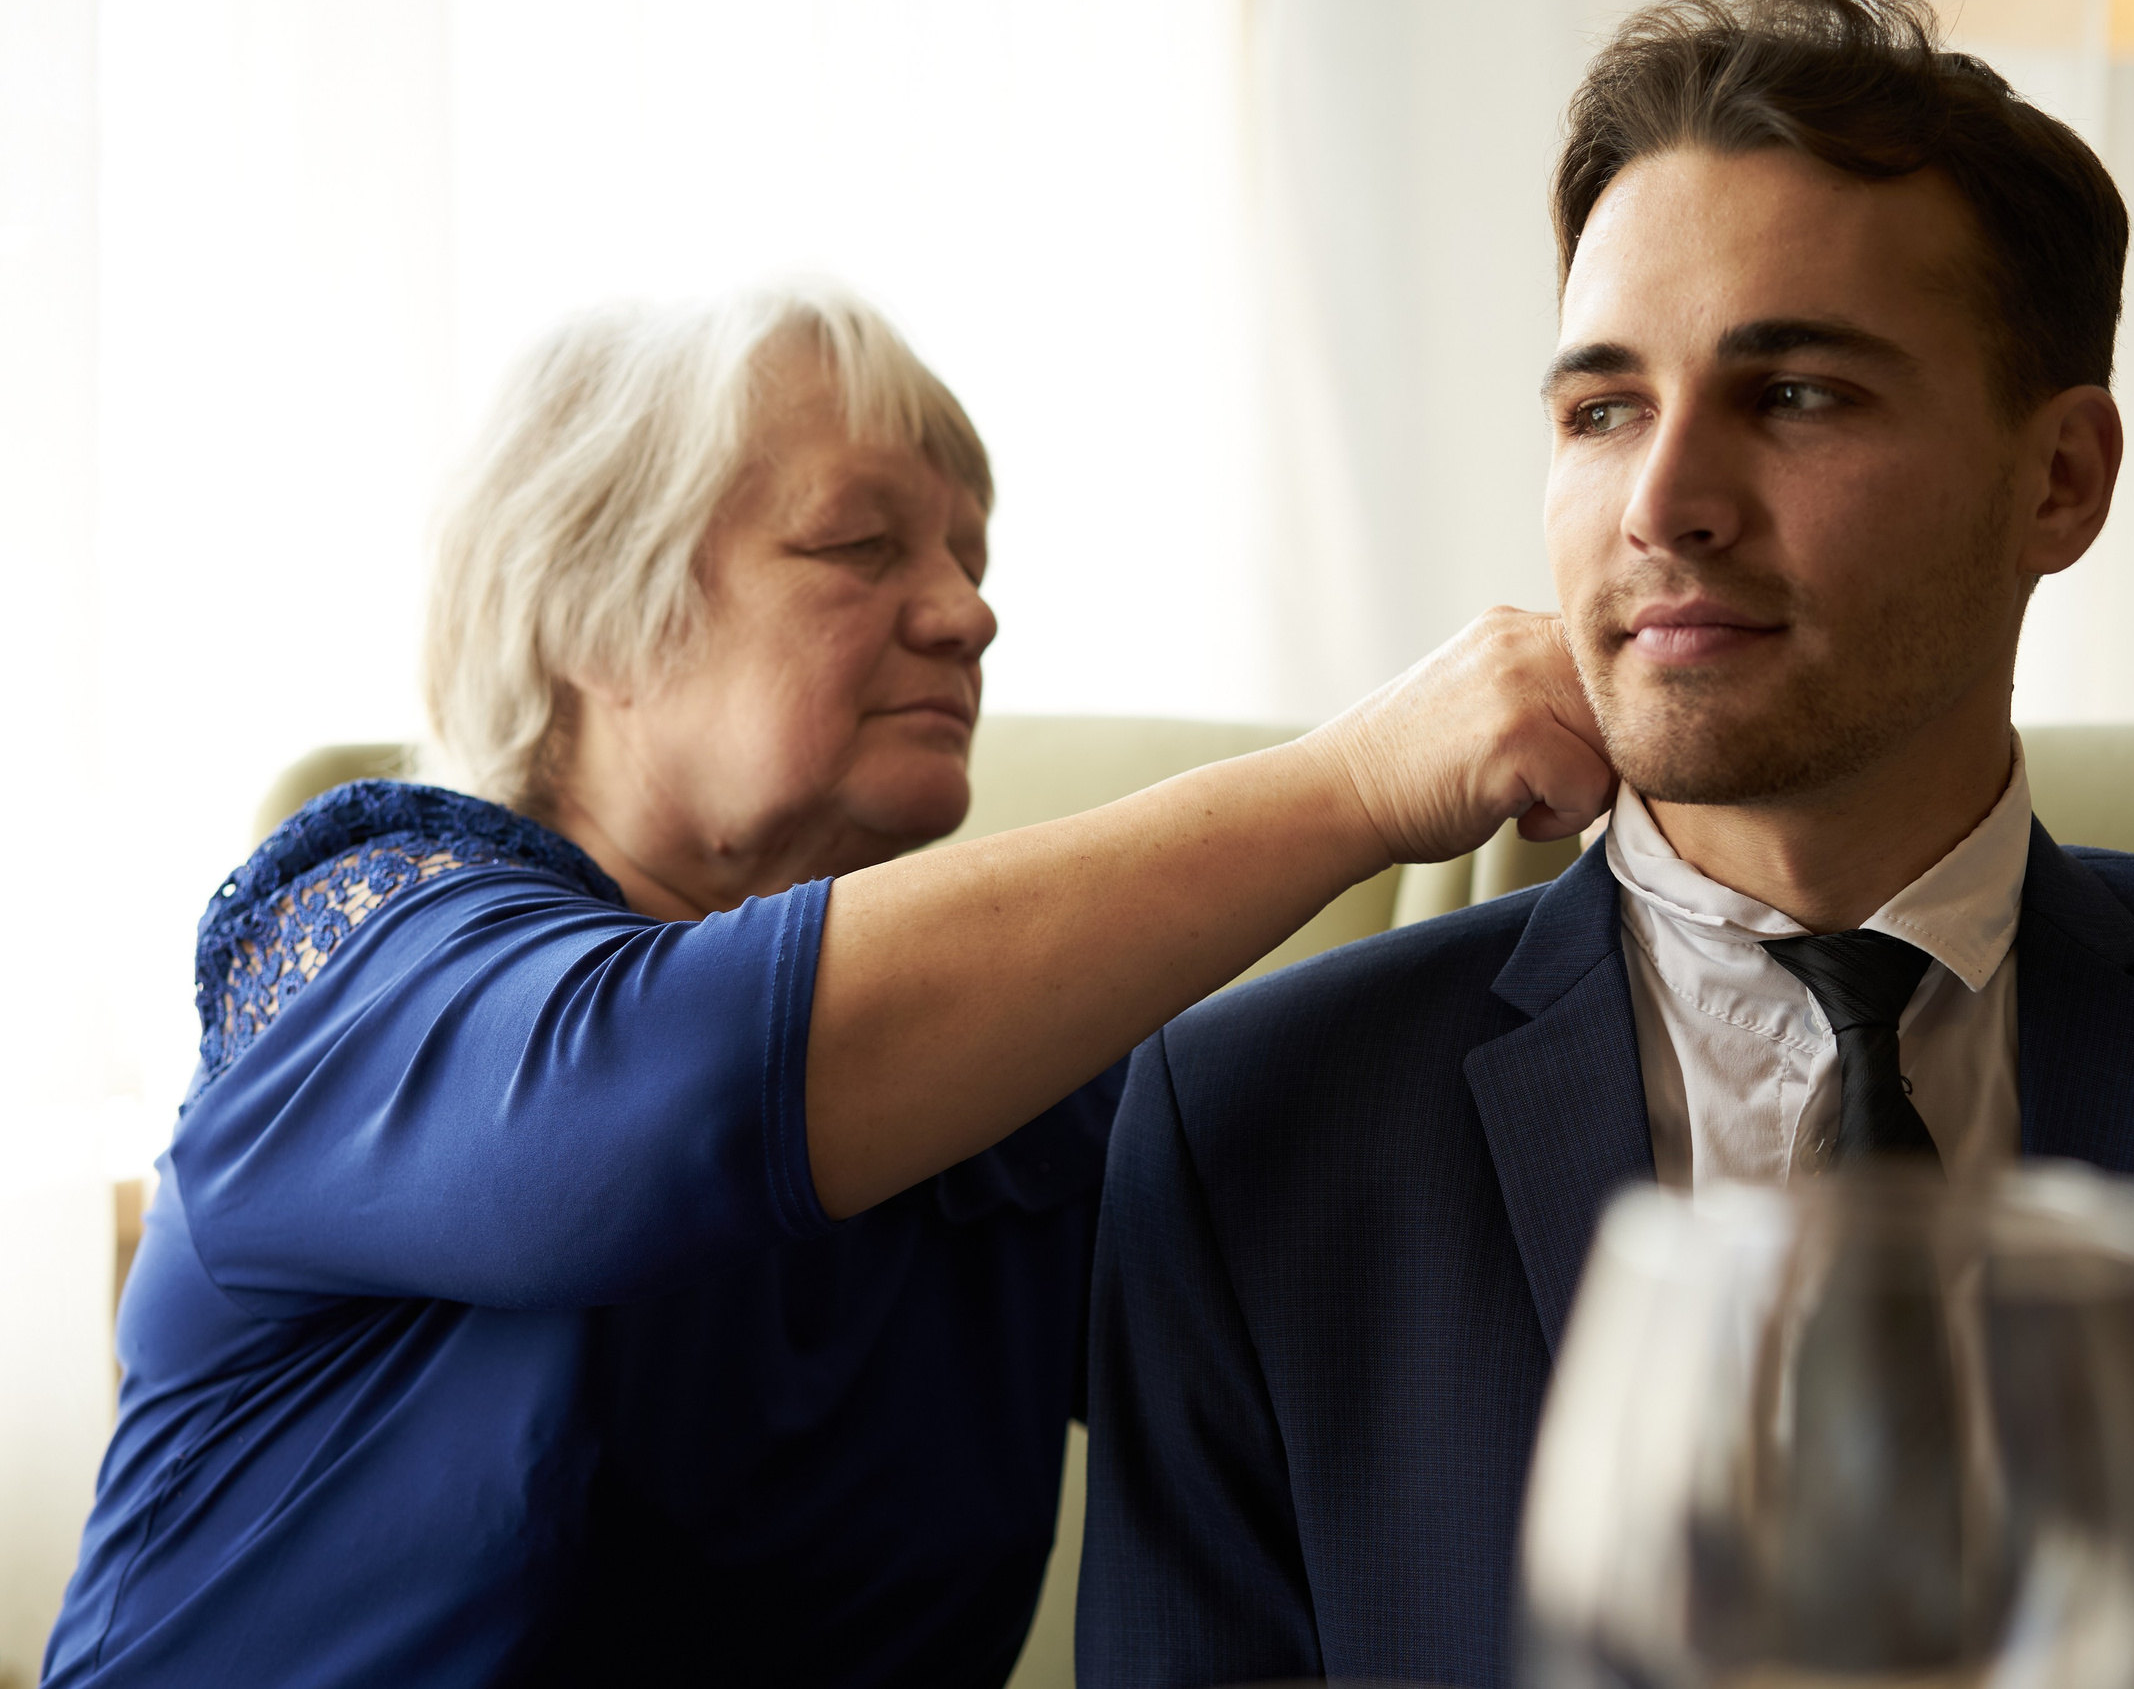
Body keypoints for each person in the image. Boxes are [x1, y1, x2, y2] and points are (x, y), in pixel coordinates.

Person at [1076, 0, 2134, 1689]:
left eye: (1792, 392)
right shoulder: (1254, 1129)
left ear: (2061, 478)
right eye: (1602, 410)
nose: (1664, 502)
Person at [43, 283, 1612, 1688]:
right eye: (860, 545)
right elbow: (646, 1104)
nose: (969, 611)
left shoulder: (1005, 1107)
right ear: (598, 613)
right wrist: (1359, 779)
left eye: (971, 558)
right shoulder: (365, 948)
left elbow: (1377, 1344)